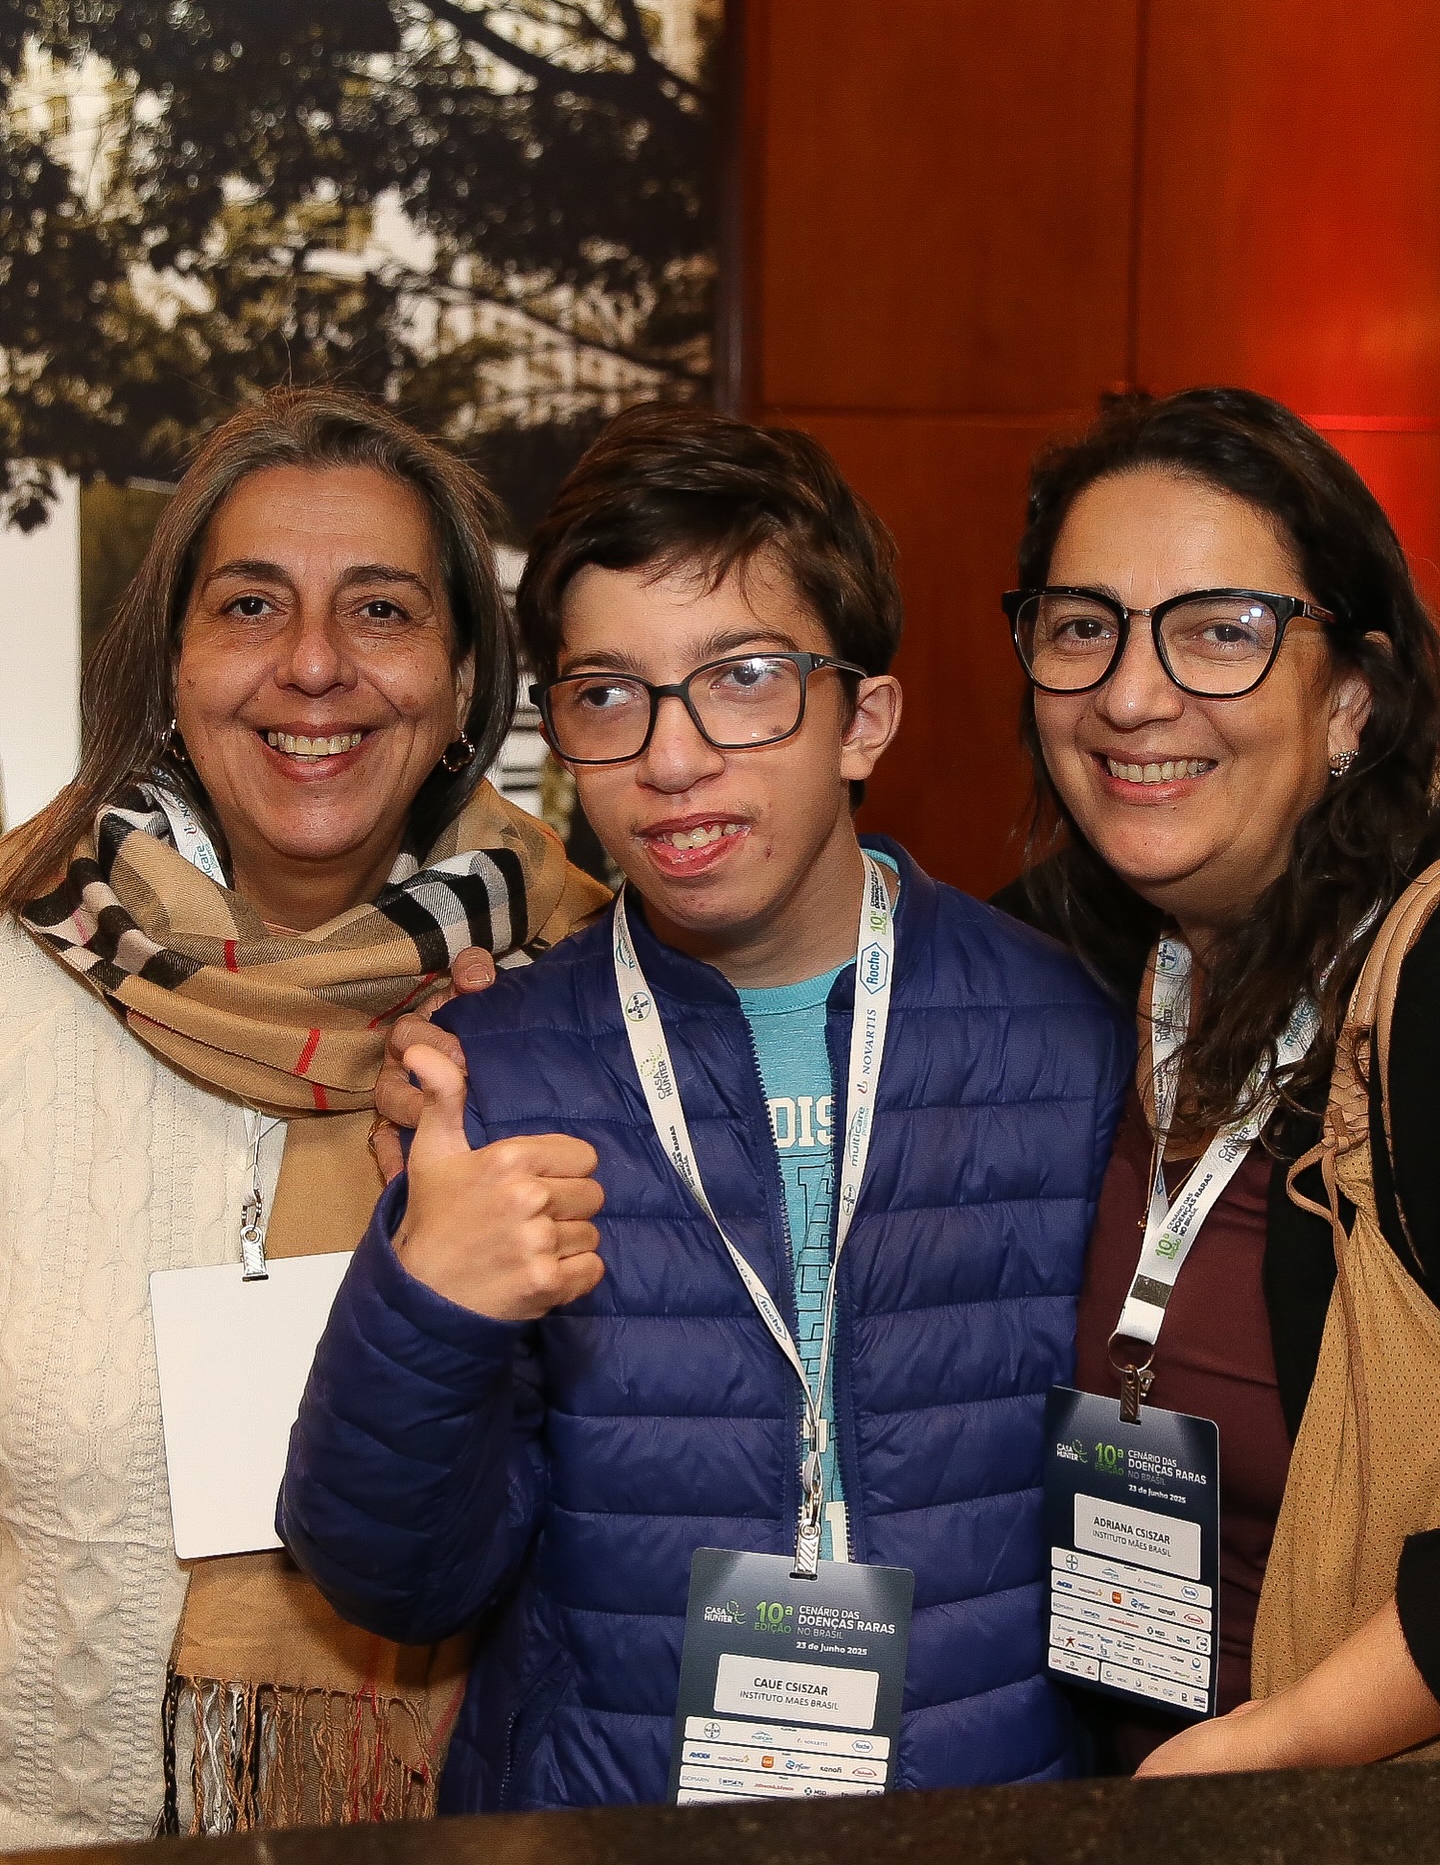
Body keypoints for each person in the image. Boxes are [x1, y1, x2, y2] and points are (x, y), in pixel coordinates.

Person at [278, 404, 1134, 1811]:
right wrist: (427, 1304)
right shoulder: (494, 1070)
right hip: (607, 1810)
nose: (670, 760)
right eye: (607, 695)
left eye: (742, 679)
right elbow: (397, 1579)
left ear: (864, 719)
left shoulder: (1063, 1032)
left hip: (988, 1809)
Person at [0, 387, 606, 1848]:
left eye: (382, 610)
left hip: (454, 1827)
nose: (316, 664)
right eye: (251, 605)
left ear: (465, 681)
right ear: (174, 663)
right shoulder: (19, 971)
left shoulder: (585, 1000)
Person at [996, 386, 1440, 1775]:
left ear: (1351, 696)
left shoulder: (1422, 981)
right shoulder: (1069, 959)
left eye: (1221, 631)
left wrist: (1284, 1747)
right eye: (1084, 627)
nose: (1131, 695)